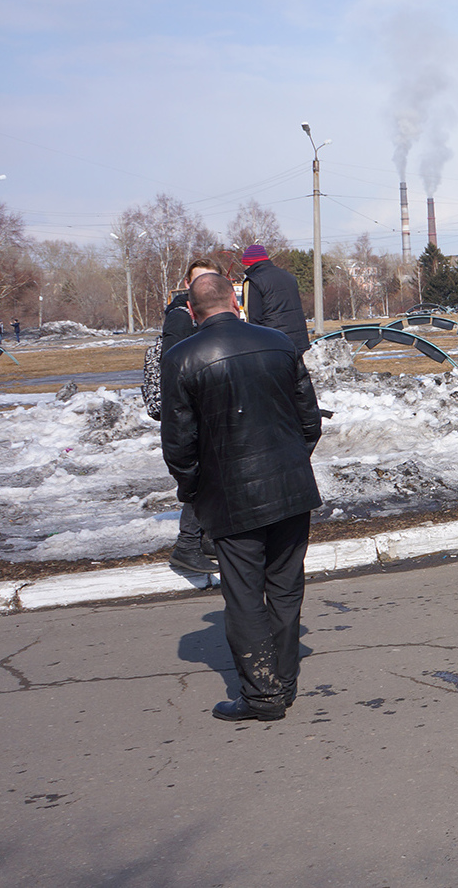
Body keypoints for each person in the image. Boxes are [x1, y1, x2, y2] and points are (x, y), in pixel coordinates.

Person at [160, 273, 322, 723]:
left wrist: (194, 492)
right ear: (236, 301)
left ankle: (263, 694)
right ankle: (282, 684)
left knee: (245, 595)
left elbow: (179, 444)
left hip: (231, 498)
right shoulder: (277, 342)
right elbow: (309, 421)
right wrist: (289, 463)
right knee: (287, 588)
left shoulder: (181, 357)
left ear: (191, 311)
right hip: (290, 488)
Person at [161, 257, 225, 574]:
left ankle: (206, 537)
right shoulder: (179, 316)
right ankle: (187, 545)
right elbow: (172, 365)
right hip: (192, 405)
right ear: (188, 284)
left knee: (213, 473)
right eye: (199, 279)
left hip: (207, 401)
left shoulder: (200, 313)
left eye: (210, 279)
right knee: (201, 475)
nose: (204, 285)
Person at [239, 244, 309, 353]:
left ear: (249, 264)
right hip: (300, 341)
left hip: (274, 342)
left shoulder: (253, 281)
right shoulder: (289, 276)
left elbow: (253, 318)